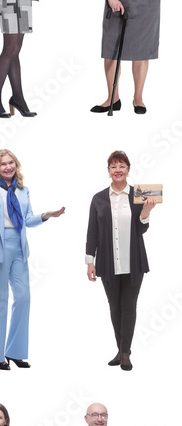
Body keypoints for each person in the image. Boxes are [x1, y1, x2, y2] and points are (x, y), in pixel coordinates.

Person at [0, 149, 65, 369]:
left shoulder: (23, 190)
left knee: (23, 297)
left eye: (11, 162)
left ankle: (14, 351)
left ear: (16, 164)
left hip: (19, 247)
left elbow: (26, 220)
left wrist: (46, 216)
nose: (8, 167)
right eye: (3, 164)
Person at [85, 151, 156, 371]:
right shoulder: (98, 198)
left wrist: (146, 211)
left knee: (129, 306)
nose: (118, 170)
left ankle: (124, 353)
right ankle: (121, 348)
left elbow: (141, 228)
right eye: (114, 166)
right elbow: (93, 232)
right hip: (108, 263)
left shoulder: (139, 195)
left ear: (128, 169)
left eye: (122, 166)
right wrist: (90, 261)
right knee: (114, 308)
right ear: (108, 171)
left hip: (133, 262)